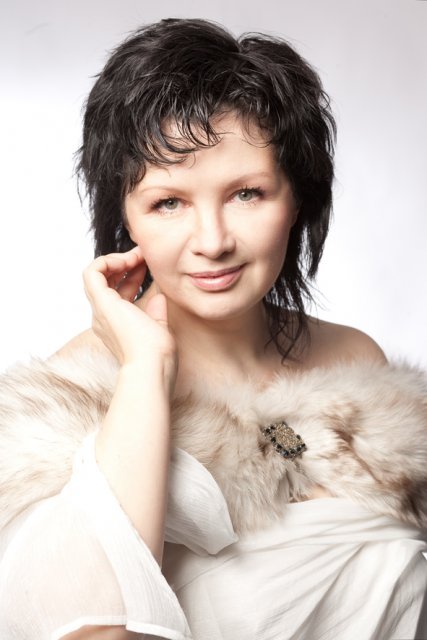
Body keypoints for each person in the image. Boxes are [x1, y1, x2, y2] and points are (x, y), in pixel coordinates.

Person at [0, 17, 426, 640]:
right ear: (127, 217)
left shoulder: (355, 363)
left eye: (246, 193)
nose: (212, 241)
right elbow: (96, 631)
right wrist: (145, 369)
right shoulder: (68, 399)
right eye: (168, 202)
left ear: (297, 198)